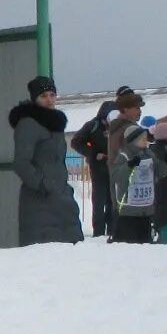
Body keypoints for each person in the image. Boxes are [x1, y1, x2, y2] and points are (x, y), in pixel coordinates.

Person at [11, 76, 83, 244]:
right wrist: (42, 184)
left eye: (52, 94)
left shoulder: (54, 125)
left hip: (61, 198)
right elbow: (21, 163)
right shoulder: (29, 125)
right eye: (43, 96)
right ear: (35, 98)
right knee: (45, 255)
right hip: (40, 201)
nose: (49, 100)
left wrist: (64, 188)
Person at [69, 92, 121, 238]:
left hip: (114, 167)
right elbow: (76, 142)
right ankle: (98, 232)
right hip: (98, 167)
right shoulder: (92, 125)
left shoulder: (117, 126)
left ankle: (113, 230)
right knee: (99, 200)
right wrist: (92, 153)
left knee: (113, 200)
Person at [109, 119, 159, 243]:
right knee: (129, 243)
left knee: (145, 242)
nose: (145, 141)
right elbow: (116, 177)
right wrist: (129, 165)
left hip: (146, 206)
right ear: (133, 140)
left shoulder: (149, 154)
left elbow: (159, 172)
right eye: (142, 138)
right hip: (128, 208)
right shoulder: (124, 156)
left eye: (145, 138)